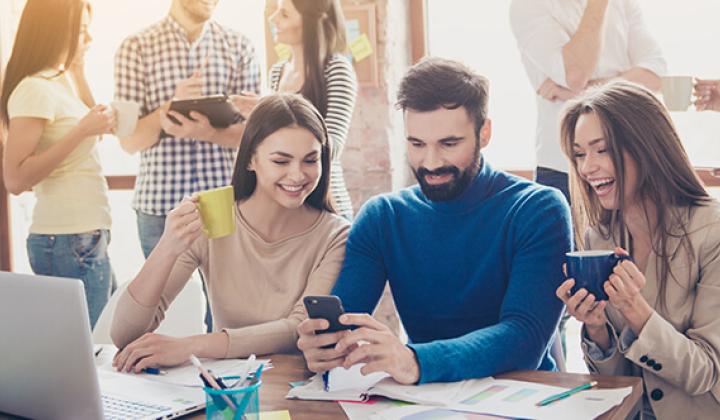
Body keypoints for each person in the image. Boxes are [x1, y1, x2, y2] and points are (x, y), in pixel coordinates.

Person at [296, 58, 573, 384]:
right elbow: (345, 321)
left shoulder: (537, 209)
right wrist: (324, 347)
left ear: (484, 133)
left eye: (449, 144)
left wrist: (415, 360)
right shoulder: (383, 217)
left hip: (522, 398)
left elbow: (524, 338)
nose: (431, 162)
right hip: (423, 399)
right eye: (417, 144)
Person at [110, 94, 350, 371]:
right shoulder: (213, 218)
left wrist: (192, 345)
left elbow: (297, 328)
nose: (297, 175)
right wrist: (167, 247)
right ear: (250, 159)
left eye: (310, 160)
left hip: (296, 386)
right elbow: (124, 335)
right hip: (227, 391)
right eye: (281, 162)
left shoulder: (335, 235)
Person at [556, 81, 720, 419]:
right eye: (580, 154)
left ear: (647, 148)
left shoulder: (712, 231)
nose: (587, 168)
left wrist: (635, 309)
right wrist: (596, 328)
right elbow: (617, 382)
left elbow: (705, 372)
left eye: (601, 150)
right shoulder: (599, 239)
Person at [114, 0, 261, 331]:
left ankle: (219, 383)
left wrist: (206, 131)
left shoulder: (239, 46)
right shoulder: (136, 47)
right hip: (159, 208)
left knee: (226, 317)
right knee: (159, 318)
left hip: (225, 201)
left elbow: (253, 134)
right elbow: (129, 141)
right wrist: (168, 108)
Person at [1, 0, 116, 328]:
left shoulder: (62, 81)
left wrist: (79, 74)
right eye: (81, 31)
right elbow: (15, 179)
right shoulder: (33, 88)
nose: (89, 39)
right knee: (89, 349)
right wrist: (81, 130)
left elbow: (96, 128)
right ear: (56, 32)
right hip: (68, 239)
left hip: (83, 236)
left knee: (95, 342)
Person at [509, 0, 666, 203]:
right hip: (565, 169)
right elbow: (575, 74)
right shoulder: (529, 5)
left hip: (628, 160)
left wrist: (583, 93)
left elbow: (656, 75)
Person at [251, 0, 355, 219]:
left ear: (311, 22)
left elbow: (332, 148)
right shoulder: (278, 71)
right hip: (286, 209)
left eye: (285, 14)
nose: (273, 19)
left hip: (325, 205)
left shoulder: (336, 69)